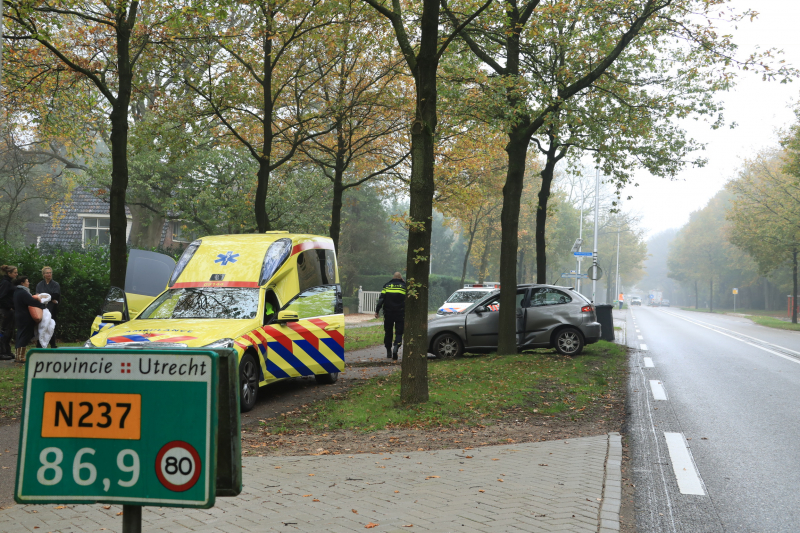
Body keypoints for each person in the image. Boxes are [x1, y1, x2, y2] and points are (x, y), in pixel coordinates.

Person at [13, 275, 45, 363]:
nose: (28, 283)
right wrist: (43, 306)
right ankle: (22, 356)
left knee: (20, 334)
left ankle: (18, 355)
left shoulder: (16, 291)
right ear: (22, 283)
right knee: (25, 335)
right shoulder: (23, 292)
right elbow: (31, 302)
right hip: (25, 316)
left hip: (19, 316)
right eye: (27, 281)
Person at [374, 272, 406, 360]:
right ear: (401, 278)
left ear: (393, 277)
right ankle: (396, 347)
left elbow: (381, 299)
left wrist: (377, 311)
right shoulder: (404, 286)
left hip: (388, 313)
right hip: (400, 313)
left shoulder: (387, 285)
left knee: (388, 332)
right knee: (399, 332)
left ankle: (388, 351)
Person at [35, 266, 60, 348]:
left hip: (52, 308)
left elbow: (56, 295)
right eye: (47, 273)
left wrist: (47, 297)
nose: (49, 274)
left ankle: (52, 344)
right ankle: (39, 343)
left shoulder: (55, 284)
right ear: (44, 274)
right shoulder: (39, 284)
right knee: (42, 325)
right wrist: (49, 298)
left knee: (51, 324)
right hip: (42, 308)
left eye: (50, 273)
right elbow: (38, 296)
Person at [0, 265, 18, 361]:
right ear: (9, 273)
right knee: (3, 332)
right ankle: (1, 352)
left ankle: (7, 351)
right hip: (5, 310)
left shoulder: (9, 283)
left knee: (9, 332)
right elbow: (2, 296)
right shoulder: (5, 283)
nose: (16, 274)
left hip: (10, 310)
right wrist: (8, 306)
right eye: (15, 272)